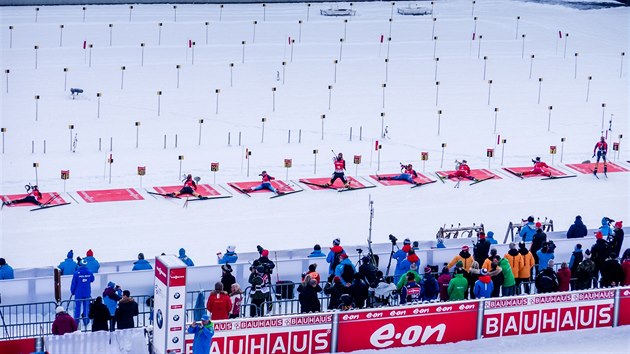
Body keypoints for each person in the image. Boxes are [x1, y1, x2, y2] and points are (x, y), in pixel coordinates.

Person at [70, 259, 94, 327]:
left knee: (77, 308)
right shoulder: (89, 272)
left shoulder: (76, 273)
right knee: (86, 308)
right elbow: (92, 279)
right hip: (87, 292)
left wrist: (72, 291)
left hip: (78, 293)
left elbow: (73, 284)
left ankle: (76, 322)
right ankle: (86, 321)